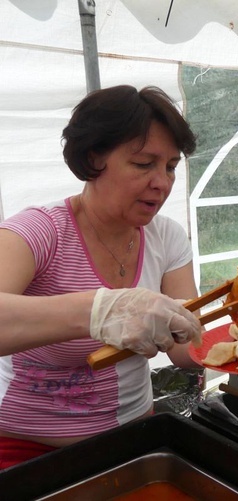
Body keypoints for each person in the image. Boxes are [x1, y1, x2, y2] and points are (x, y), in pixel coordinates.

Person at [0, 85, 203, 469]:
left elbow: (183, 347)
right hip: (25, 447)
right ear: (94, 158)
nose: (162, 182)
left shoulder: (167, 237)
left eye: (171, 166)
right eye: (144, 164)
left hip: (133, 438)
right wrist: (99, 310)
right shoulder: (39, 231)